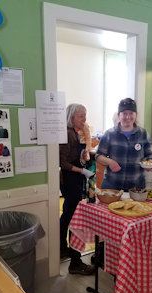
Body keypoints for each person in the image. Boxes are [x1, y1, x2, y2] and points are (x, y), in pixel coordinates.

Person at [60, 103, 95, 275]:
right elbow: (63, 163)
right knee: (73, 218)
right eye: (81, 116)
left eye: (85, 115)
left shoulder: (75, 132)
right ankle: (75, 262)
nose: (84, 119)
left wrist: (84, 156)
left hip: (73, 179)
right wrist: (82, 170)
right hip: (69, 179)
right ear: (72, 116)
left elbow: (73, 156)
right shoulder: (67, 134)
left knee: (67, 213)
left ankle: (62, 249)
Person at [96, 98, 152, 191]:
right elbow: (98, 155)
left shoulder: (143, 134)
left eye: (131, 113)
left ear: (136, 115)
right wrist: (110, 162)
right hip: (112, 185)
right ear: (119, 115)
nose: (128, 117)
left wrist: (150, 162)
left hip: (137, 187)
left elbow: (150, 154)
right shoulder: (109, 134)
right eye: (124, 113)